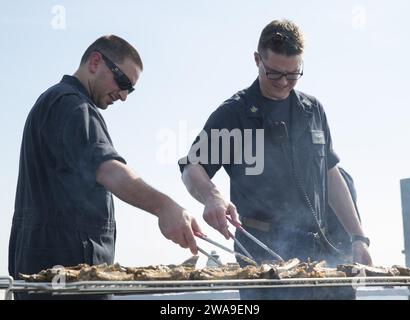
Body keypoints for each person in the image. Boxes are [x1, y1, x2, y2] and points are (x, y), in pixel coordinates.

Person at [179, 20, 372, 299]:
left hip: (321, 250)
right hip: (263, 254)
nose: (284, 83)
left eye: (293, 74)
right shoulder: (234, 114)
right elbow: (191, 166)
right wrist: (211, 196)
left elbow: (331, 174)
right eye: (274, 73)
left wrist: (358, 236)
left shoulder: (313, 110)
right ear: (257, 60)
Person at [9, 35, 200, 299]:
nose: (123, 96)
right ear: (96, 61)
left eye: (130, 90)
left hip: (54, 275)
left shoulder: (56, 102)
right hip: (65, 281)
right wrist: (165, 207)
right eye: (123, 82)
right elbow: (108, 169)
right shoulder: (71, 106)